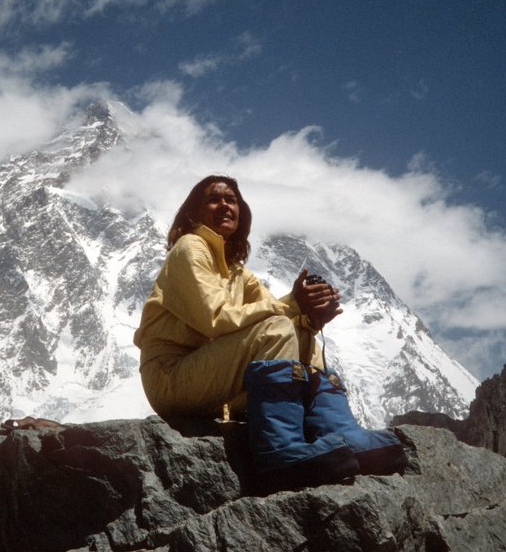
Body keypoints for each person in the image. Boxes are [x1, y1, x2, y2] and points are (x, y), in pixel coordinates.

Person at [134, 175, 405, 487]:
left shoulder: (238, 273)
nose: (224, 204)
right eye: (213, 198)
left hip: (208, 375)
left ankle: (339, 435)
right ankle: (279, 451)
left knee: (297, 331)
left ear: (241, 213)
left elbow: (282, 319)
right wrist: (292, 304)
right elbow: (215, 319)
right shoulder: (189, 248)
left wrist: (310, 318)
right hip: (171, 377)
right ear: (194, 214)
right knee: (278, 327)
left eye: (231, 199)